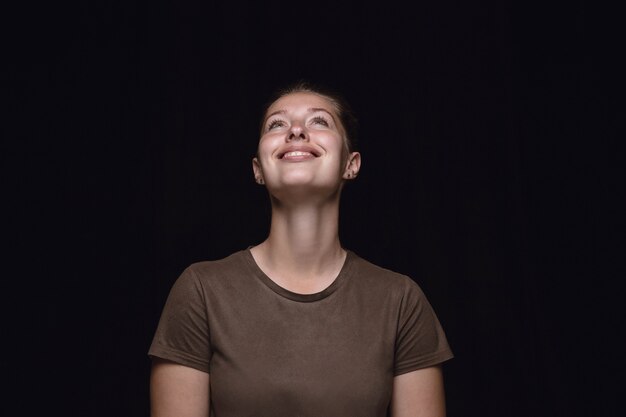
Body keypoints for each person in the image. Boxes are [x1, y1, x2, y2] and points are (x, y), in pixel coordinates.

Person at [148, 82, 454, 417]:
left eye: (319, 122)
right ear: (258, 170)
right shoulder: (201, 290)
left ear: (351, 164)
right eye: (277, 124)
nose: (295, 131)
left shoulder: (401, 300)